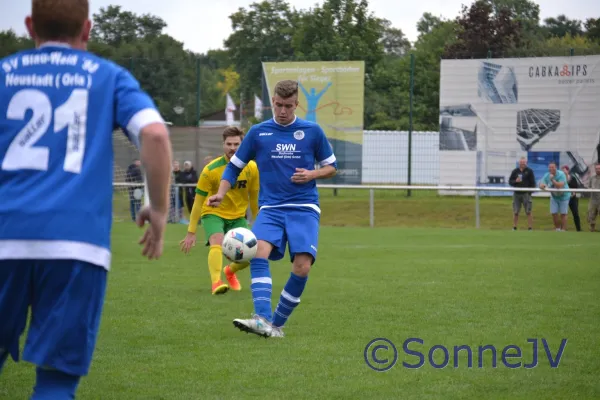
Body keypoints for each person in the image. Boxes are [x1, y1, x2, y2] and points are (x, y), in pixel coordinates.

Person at [0, 1, 172, 398]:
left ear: (29, 26)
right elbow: (156, 135)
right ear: (88, 29)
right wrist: (160, 210)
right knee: (56, 381)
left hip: (5, 234)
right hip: (75, 244)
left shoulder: (5, 72)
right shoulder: (109, 76)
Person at [207, 79, 338, 338]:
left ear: (296, 104)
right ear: (272, 103)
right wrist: (221, 193)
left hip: (304, 207)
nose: (282, 111)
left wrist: (312, 174)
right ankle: (261, 318)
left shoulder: (312, 131)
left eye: (288, 106)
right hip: (271, 208)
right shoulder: (258, 132)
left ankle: (276, 325)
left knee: (302, 266)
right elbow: (234, 166)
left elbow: (332, 166)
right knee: (257, 253)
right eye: (278, 105)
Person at [180, 127, 259, 295]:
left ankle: (230, 271)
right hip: (213, 213)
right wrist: (191, 231)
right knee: (217, 241)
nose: (232, 148)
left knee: (252, 253)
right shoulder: (210, 170)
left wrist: (259, 224)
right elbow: (198, 202)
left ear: (242, 144)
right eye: (228, 144)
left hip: (238, 216)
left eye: (236, 144)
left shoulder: (252, 168)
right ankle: (216, 282)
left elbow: (254, 199)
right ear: (223, 145)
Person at [539, 161, 570, 231]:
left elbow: (560, 186)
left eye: (552, 167)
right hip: (554, 196)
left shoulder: (561, 174)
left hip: (564, 196)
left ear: (556, 168)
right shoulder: (546, 175)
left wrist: (552, 179)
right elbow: (541, 184)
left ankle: (563, 230)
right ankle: (557, 229)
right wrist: (542, 185)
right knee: (554, 213)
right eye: (549, 167)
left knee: (563, 213)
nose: (551, 168)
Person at [508, 157, 536, 230]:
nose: (522, 163)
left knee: (528, 211)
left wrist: (530, 193)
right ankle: (514, 227)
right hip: (516, 194)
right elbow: (510, 182)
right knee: (516, 211)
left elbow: (533, 183)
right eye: (521, 162)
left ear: (526, 163)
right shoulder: (515, 171)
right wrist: (515, 181)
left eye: (524, 162)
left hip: (526, 194)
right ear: (519, 163)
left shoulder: (529, 171)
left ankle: (530, 228)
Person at [562, 165, 581, 231]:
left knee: (575, 213)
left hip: (573, 199)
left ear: (568, 170)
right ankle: (563, 229)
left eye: (565, 170)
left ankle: (578, 229)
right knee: (563, 213)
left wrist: (573, 194)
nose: (564, 172)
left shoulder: (573, 178)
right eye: (562, 170)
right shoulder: (561, 179)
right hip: (564, 198)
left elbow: (575, 188)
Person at [587, 163, 600, 232]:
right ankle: (592, 229)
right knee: (591, 214)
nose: (598, 170)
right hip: (593, 200)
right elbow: (589, 187)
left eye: (599, 168)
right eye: (596, 169)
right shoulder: (592, 178)